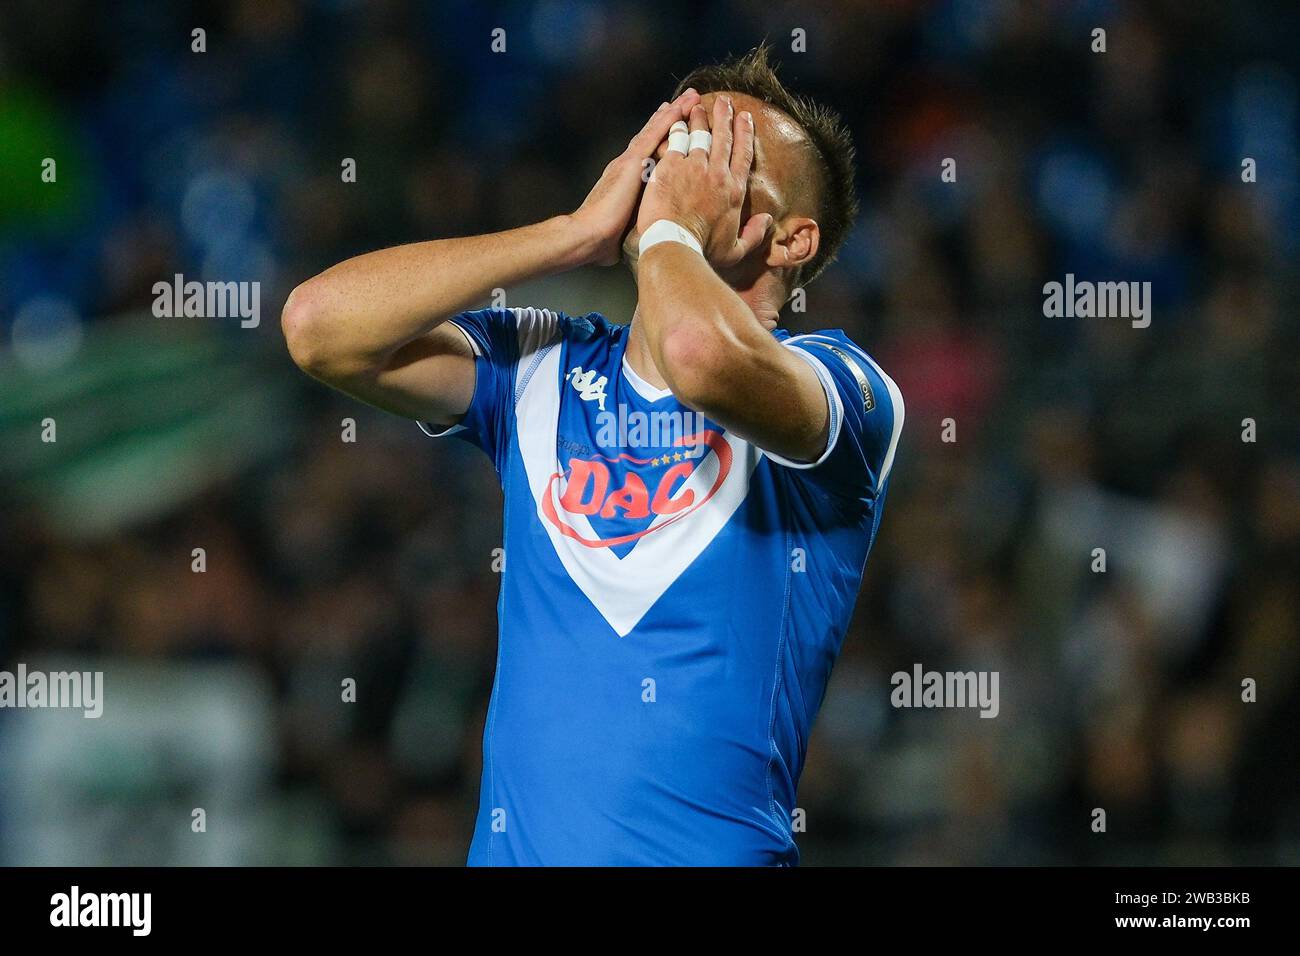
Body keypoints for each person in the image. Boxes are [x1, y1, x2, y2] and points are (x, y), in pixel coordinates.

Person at [282, 46, 904, 865]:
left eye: (726, 159)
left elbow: (700, 354)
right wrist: (565, 236)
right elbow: (318, 327)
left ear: (792, 240)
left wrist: (674, 230)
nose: (683, 172)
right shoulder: (546, 367)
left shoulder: (845, 388)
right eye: (674, 147)